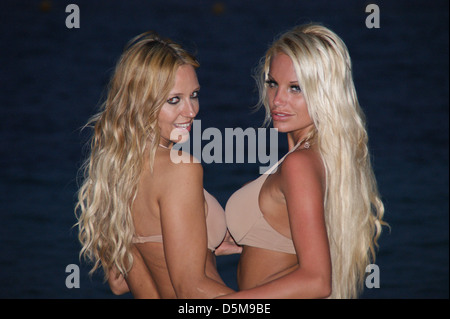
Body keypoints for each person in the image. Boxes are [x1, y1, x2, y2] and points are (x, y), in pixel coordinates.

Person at [223, 24, 386, 299]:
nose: (278, 100)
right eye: (273, 83)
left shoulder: (300, 163)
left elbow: (317, 281)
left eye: (296, 88)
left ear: (325, 93)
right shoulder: (322, 155)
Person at [75, 32, 235, 298]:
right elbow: (191, 289)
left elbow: (118, 282)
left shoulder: (115, 171)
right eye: (174, 100)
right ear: (141, 103)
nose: (191, 111)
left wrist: (200, 245)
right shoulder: (181, 167)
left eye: (194, 95)